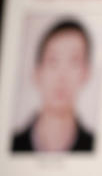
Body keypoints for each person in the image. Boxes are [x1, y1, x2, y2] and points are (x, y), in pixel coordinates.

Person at [12, 19, 95, 152]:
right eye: (53, 61)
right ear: (37, 73)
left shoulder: (93, 145)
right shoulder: (13, 145)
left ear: (86, 73)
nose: (62, 76)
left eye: (74, 62)